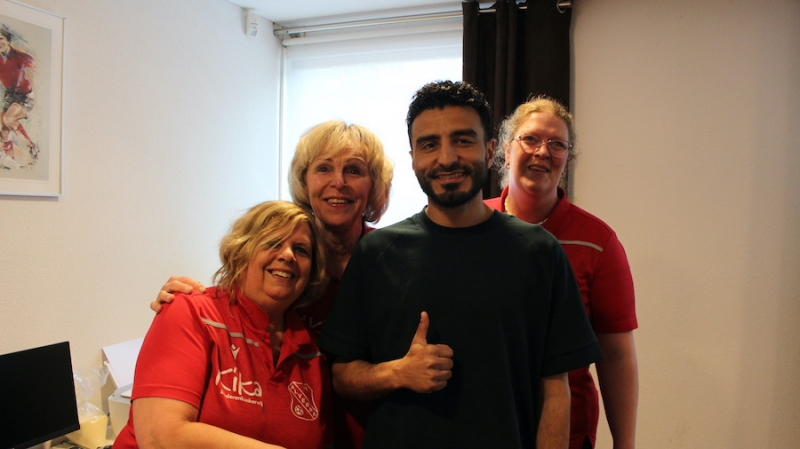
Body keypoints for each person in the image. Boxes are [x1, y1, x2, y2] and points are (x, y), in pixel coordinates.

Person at [316, 80, 602, 449]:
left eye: (463, 140)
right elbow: (342, 376)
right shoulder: (377, 253)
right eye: (429, 145)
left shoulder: (539, 252)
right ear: (413, 158)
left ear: (490, 150)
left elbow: (555, 388)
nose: (446, 158)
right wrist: (397, 372)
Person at [150, 120, 393, 448]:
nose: (338, 182)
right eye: (323, 168)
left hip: (371, 430)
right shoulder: (281, 272)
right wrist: (184, 304)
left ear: (373, 185)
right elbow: (235, 307)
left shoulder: (393, 260)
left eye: (354, 170)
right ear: (305, 180)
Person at [484, 97, 639, 449]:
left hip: (568, 432)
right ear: (506, 151)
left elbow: (616, 355)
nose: (543, 151)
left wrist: (625, 444)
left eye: (557, 144)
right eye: (530, 139)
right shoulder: (472, 227)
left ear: (567, 159)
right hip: (483, 428)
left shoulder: (598, 242)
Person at [114, 200, 330, 449]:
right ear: (241, 251)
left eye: (301, 250)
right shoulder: (192, 312)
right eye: (273, 243)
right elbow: (160, 438)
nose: (288, 255)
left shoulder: (312, 353)